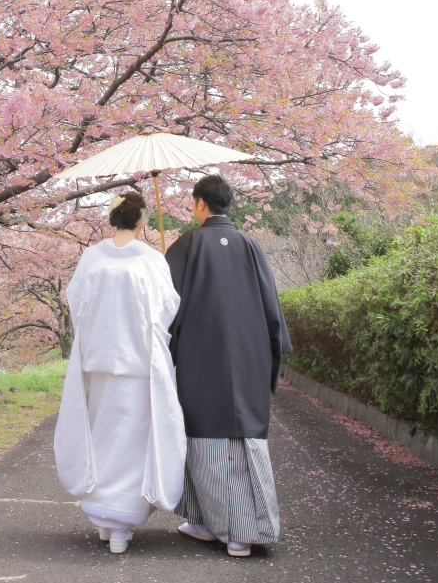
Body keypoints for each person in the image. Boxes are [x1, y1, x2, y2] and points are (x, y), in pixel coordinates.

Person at [165, 174, 292, 557]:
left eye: (193, 203)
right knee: (245, 438)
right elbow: (271, 306)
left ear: (201, 204)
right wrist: (273, 353)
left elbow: (166, 309)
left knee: (205, 440)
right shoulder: (250, 246)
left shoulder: (185, 246)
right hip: (250, 357)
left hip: (201, 358)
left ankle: (227, 530)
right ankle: (226, 526)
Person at [54, 191, 187, 554]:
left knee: (103, 434)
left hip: (100, 360)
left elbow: (77, 302)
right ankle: (120, 524)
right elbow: (167, 307)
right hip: (138, 363)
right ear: (142, 221)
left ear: (113, 219)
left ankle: (104, 517)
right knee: (131, 441)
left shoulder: (93, 257)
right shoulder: (151, 259)